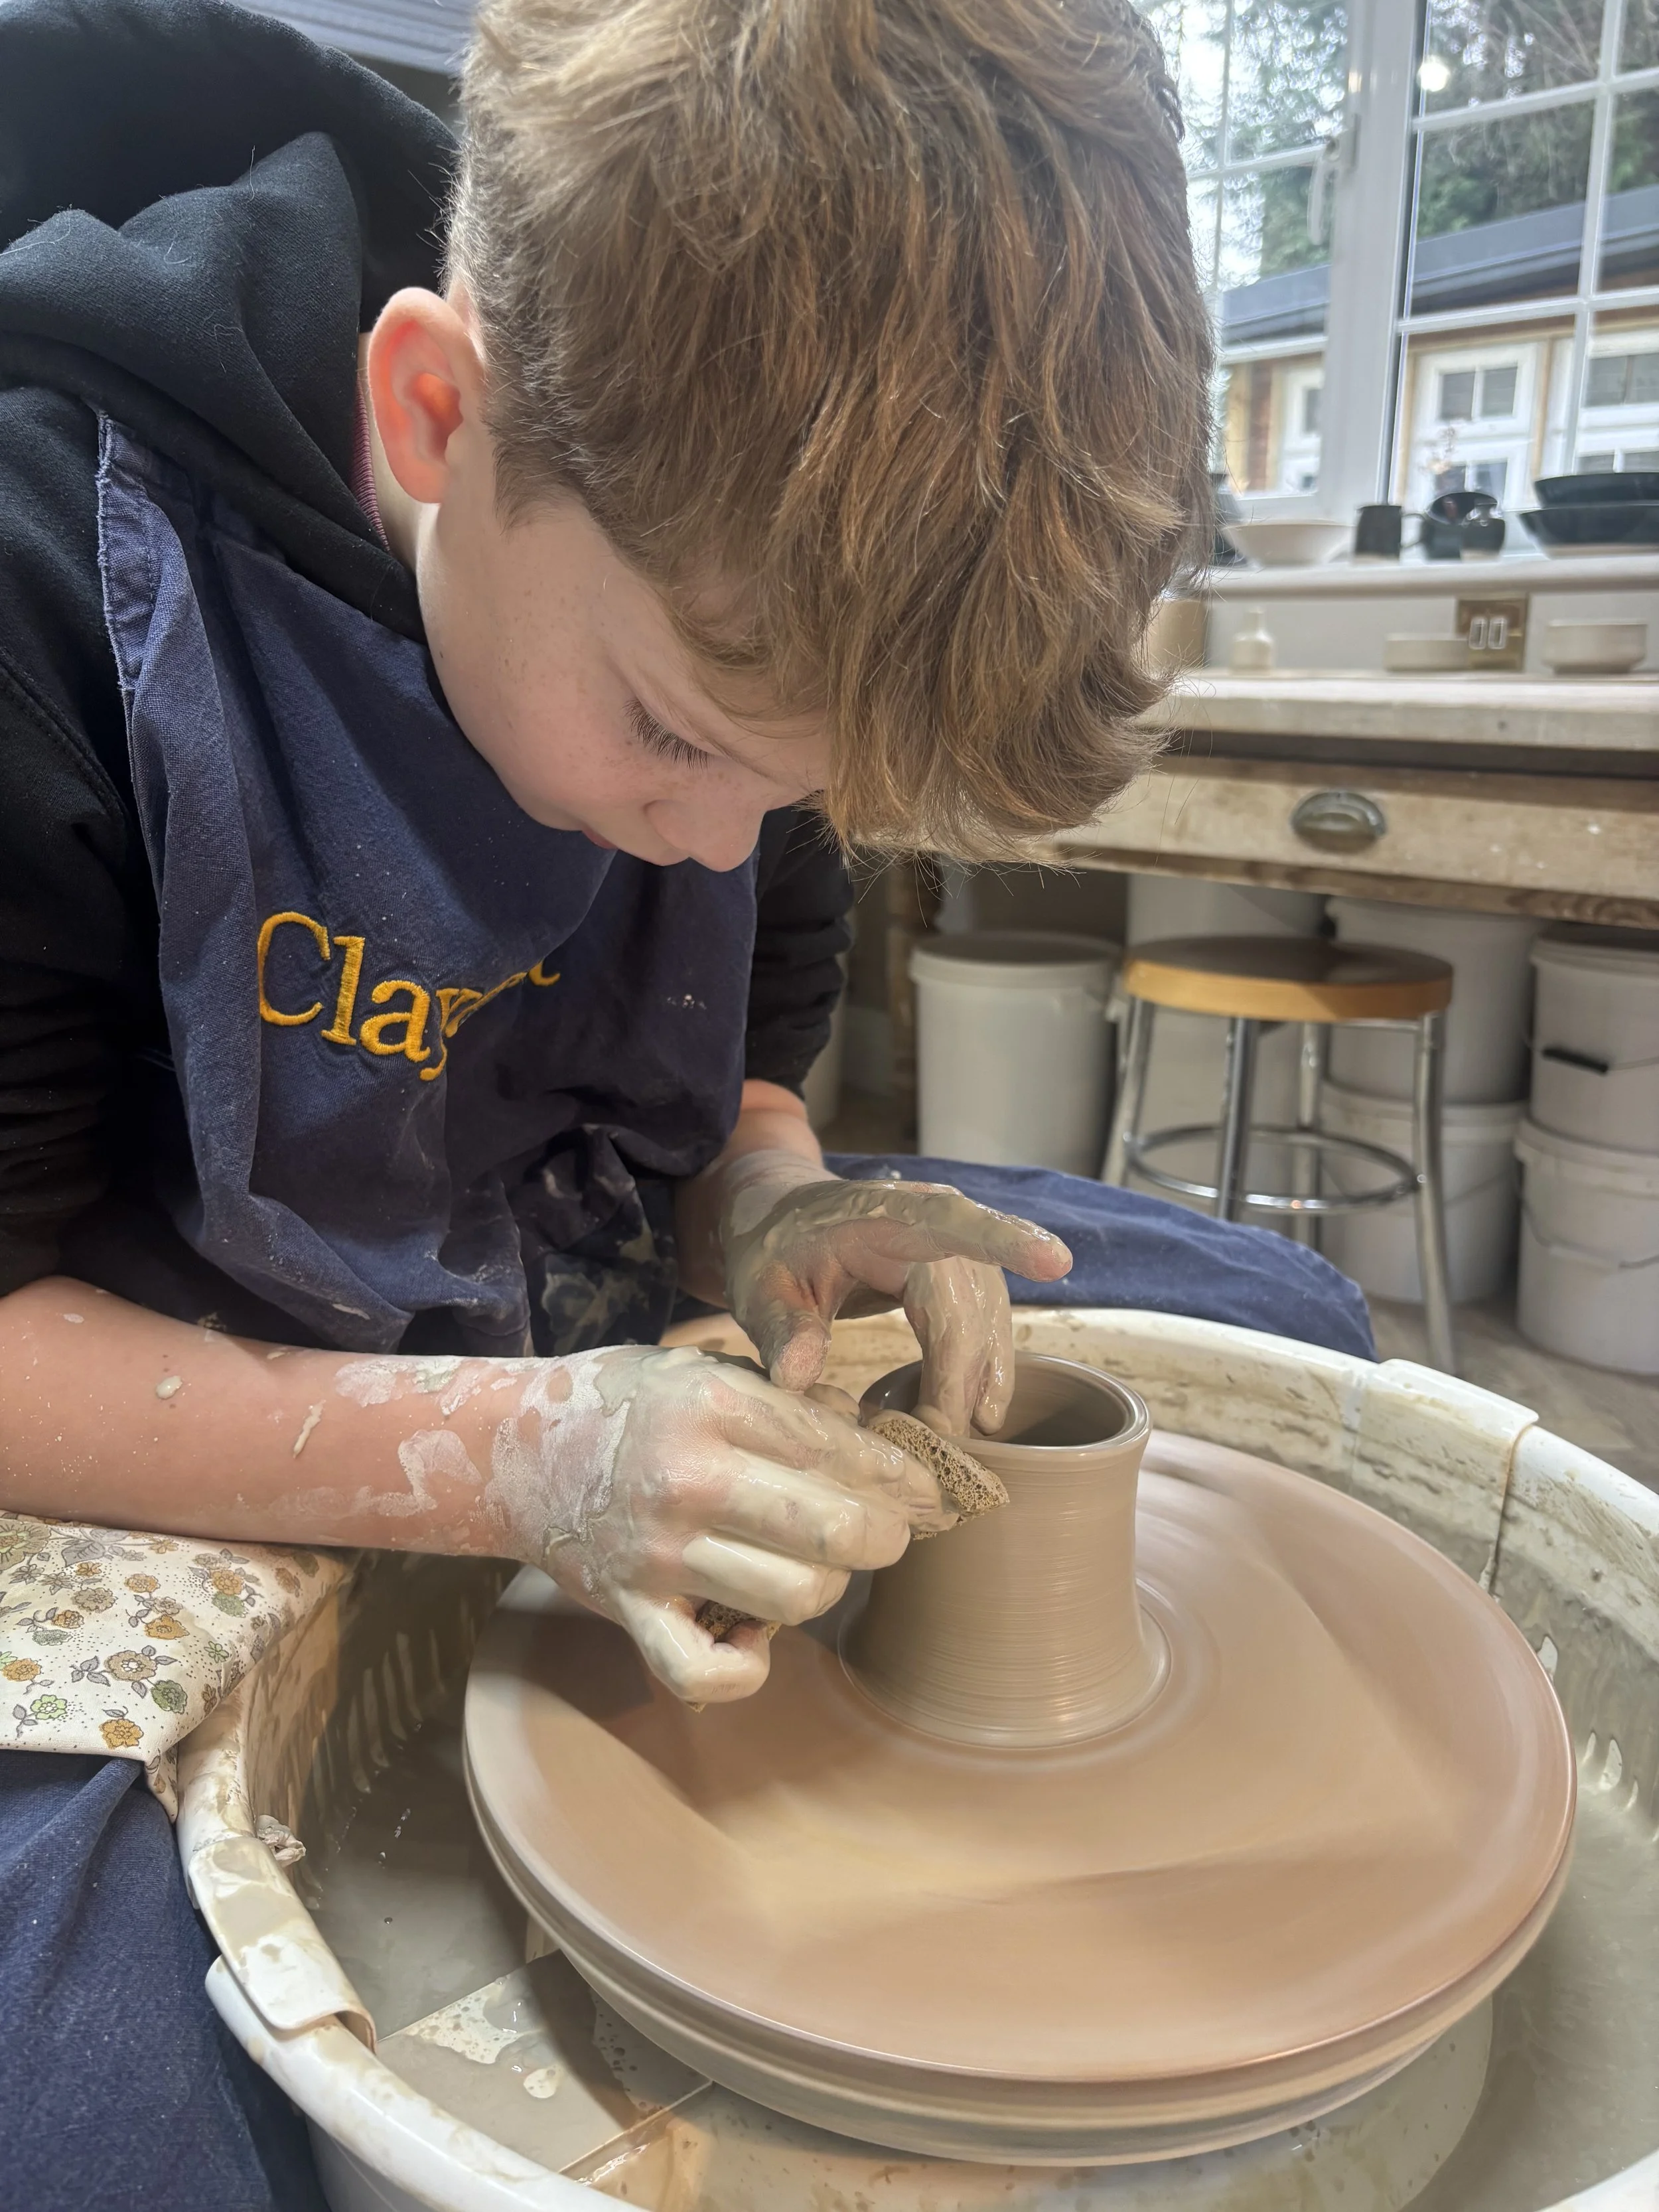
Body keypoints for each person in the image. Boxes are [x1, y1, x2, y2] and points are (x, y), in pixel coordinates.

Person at [0, 0, 1371, 2200]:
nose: (725, 843)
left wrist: (770, 1196)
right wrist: (505, 1458)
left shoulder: (753, 625)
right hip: (155, 1373)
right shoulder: (53, 591)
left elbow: (740, 1036)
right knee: (89, 2122)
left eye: (797, 791)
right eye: (670, 738)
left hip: (561, 1253)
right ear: (433, 414)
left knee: (1295, 1330)